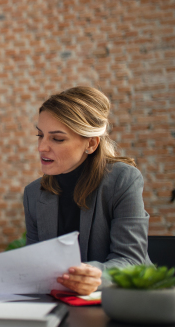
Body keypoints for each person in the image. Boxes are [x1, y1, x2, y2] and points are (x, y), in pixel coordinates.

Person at [23, 86, 151, 295]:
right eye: (40, 135)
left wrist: (97, 276)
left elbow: (132, 260)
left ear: (91, 144)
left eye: (57, 138)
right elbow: (34, 263)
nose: (41, 147)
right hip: (58, 303)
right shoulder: (33, 193)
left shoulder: (123, 180)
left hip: (121, 299)